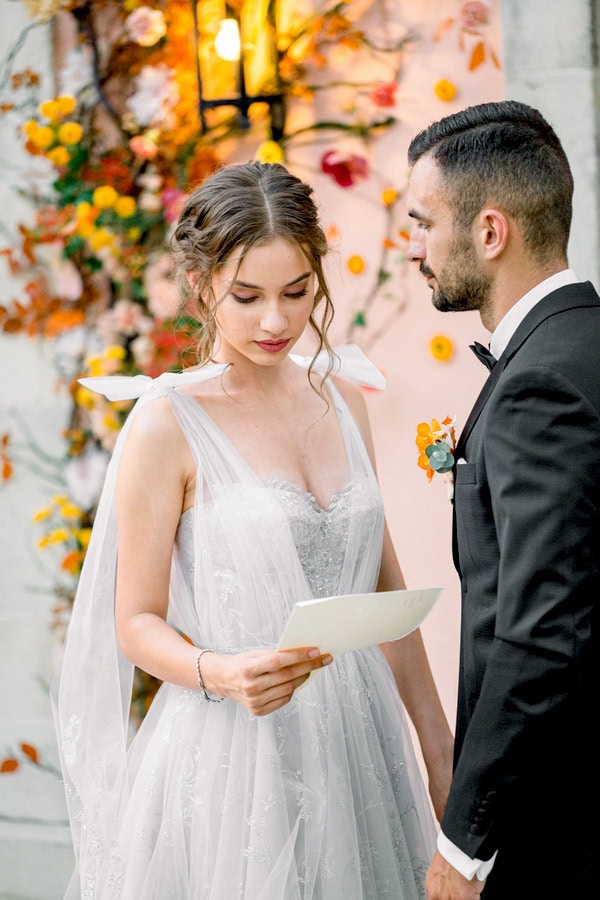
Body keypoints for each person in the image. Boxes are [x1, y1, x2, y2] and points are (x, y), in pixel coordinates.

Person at [52, 160, 453, 899]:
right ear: (201, 285)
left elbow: (384, 590)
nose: (276, 321)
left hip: (361, 743)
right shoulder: (168, 423)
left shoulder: (343, 399)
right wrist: (221, 673)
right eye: (247, 296)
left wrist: (438, 752)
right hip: (236, 752)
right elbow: (134, 621)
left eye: (296, 292)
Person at [405, 99, 600, 900]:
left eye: (423, 223)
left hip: (561, 821)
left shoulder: (540, 384)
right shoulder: (580, 345)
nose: (413, 248)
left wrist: (465, 844)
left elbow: (543, 631)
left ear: (490, 232)